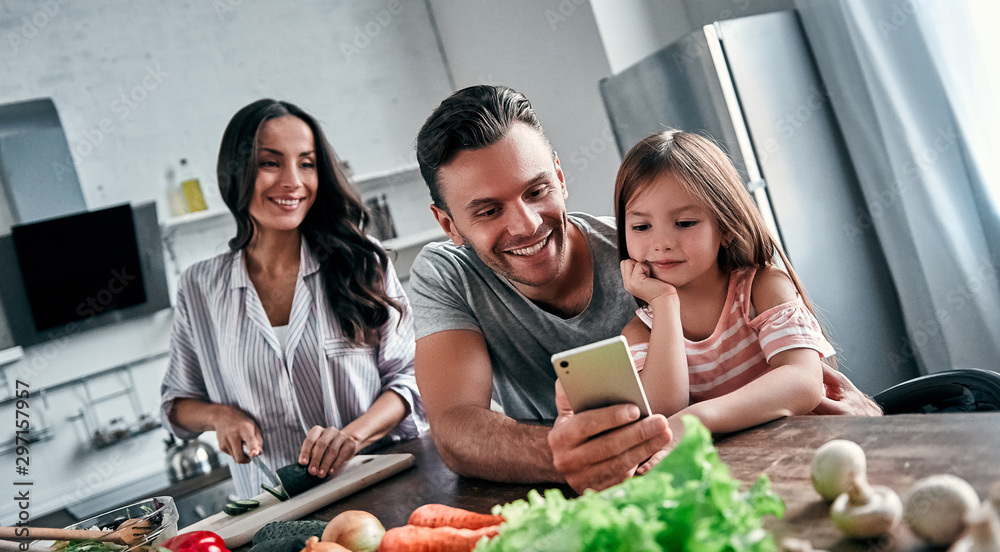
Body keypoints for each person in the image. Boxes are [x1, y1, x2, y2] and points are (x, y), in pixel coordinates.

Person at [409, 85, 879, 494]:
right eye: (488, 211)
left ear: (560, 176)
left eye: (536, 191)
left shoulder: (657, 259)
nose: (527, 225)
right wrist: (574, 451)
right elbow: (455, 427)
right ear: (448, 223)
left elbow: (811, 379)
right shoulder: (450, 274)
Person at [160, 99, 424, 498]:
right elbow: (175, 404)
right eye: (270, 163)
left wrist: (351, 437)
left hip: (378, 488)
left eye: (306, 163)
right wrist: (220, 416)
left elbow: (411, 379)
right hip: (269, 511)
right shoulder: (200, 287)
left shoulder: (362, 263)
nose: (292, 181)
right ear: (236, 173)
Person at [616, 130, 835, 443]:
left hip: (805, 452)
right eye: (641, 226)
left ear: (726, 227)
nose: (661, 243)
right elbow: (662, 414)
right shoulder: (641, 332)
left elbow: (803, 381)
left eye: (685, 223)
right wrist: (664, 302)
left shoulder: (761, 289)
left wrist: (701, 416)